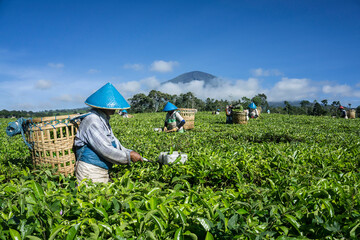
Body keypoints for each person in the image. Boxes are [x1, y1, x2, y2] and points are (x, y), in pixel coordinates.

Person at [74, 82, 143, 183]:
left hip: (101, 169)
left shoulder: (103, 119)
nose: (115, 109)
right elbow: (105, 149)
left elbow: (115, 142)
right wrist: (128, 157)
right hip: (90, 170)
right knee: (91, 197)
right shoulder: (92, 120)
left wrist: (129, 152)